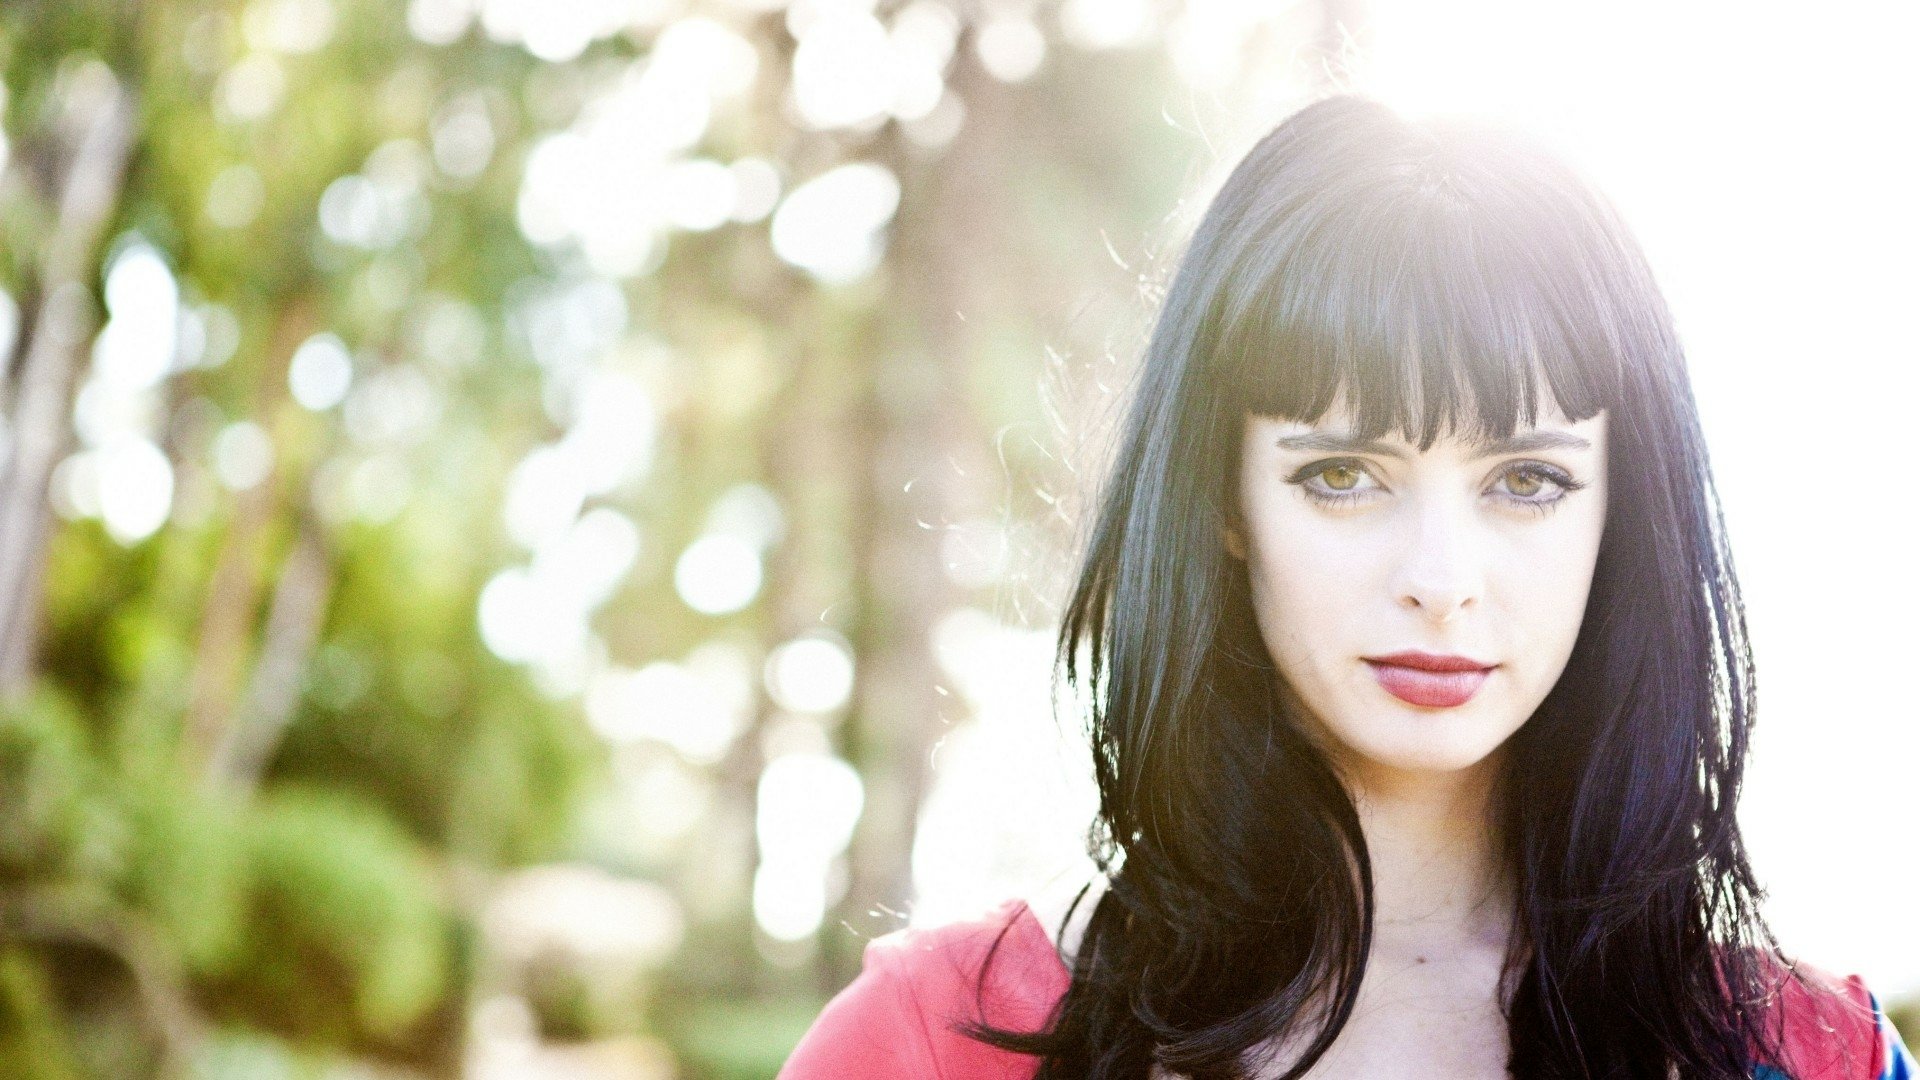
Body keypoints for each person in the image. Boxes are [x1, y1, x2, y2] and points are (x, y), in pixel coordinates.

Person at [778, 93, 1918, 1078]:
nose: (1440, 580)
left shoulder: (1815, 1058)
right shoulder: (939, 1044)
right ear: (1224, 500)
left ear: (1622, 514)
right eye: (1341, 474)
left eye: (1527, 480)